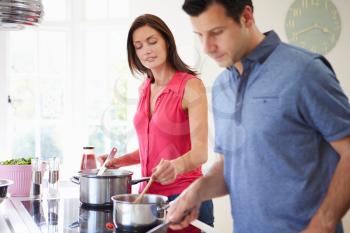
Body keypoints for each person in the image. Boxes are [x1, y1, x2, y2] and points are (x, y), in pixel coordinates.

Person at [166, 1, 350, 233]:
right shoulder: (222, 86)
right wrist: (196, 192)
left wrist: (323, 223)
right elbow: (230, 165)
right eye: (199, 35)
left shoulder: (305, 71)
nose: (207, 47)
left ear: (246, 16)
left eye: (216, 32)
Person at [98, 14, 214, 229]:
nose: (146, 50)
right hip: (149, 200)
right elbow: (153, 149)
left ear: (167, 43)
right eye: (139, 46)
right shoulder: (144, 88)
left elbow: (200, 154)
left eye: (152, 42)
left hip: (187, 198)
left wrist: (175, 166)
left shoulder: (191, 86)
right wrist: (119, 161)